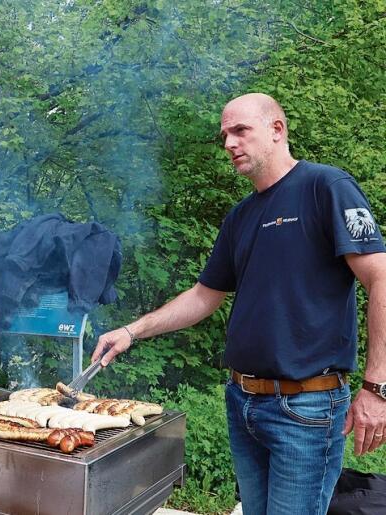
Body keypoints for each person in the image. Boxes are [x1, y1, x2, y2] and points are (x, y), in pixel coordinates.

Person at [93, 93, 386, 515]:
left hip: (306, 406)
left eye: (240, 130)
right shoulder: (242, 215)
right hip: (243, 401)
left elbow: (379, 277)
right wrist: (130, 331)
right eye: (225, 134)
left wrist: (376, 389)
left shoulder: (326, 187)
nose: (229, 143)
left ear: (277, 130)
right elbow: (203, 296)